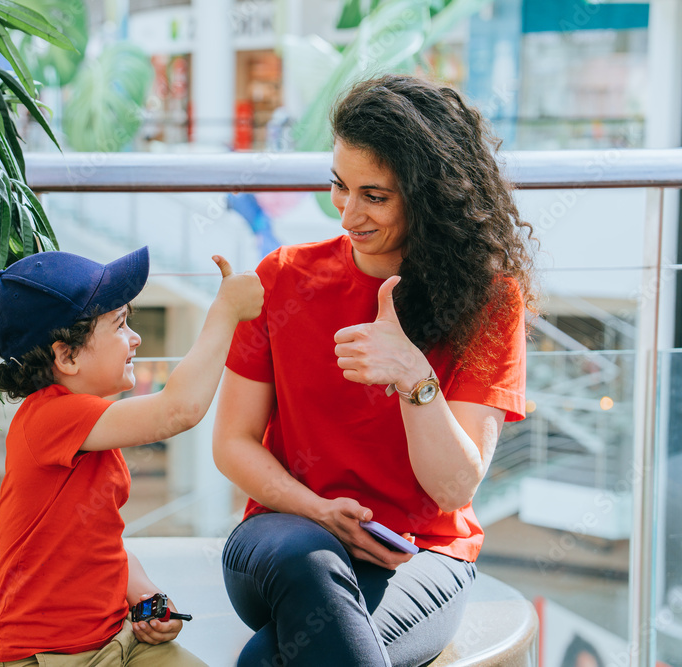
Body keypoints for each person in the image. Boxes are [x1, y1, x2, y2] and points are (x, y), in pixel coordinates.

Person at [212, 74, 538, 667]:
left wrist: (414, 374)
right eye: (340, 187)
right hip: (284, 537)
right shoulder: (281, 277)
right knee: (305, 558)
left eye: (376, 196)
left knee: (268, 661)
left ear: (431, 196)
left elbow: (453, 488)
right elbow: (232, 444)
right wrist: (318, 511)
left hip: (419, 553)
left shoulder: (490, 301)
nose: (348, 215)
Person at [0, 246, 263, 666]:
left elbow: (100, 540)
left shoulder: (89, 425)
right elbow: (177, 411)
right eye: (120, 324)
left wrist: (145, 594)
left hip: (120, 640)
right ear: (67, 356)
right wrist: (225, 311)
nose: (136, 338)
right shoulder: (50, 417)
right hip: (45, 657)